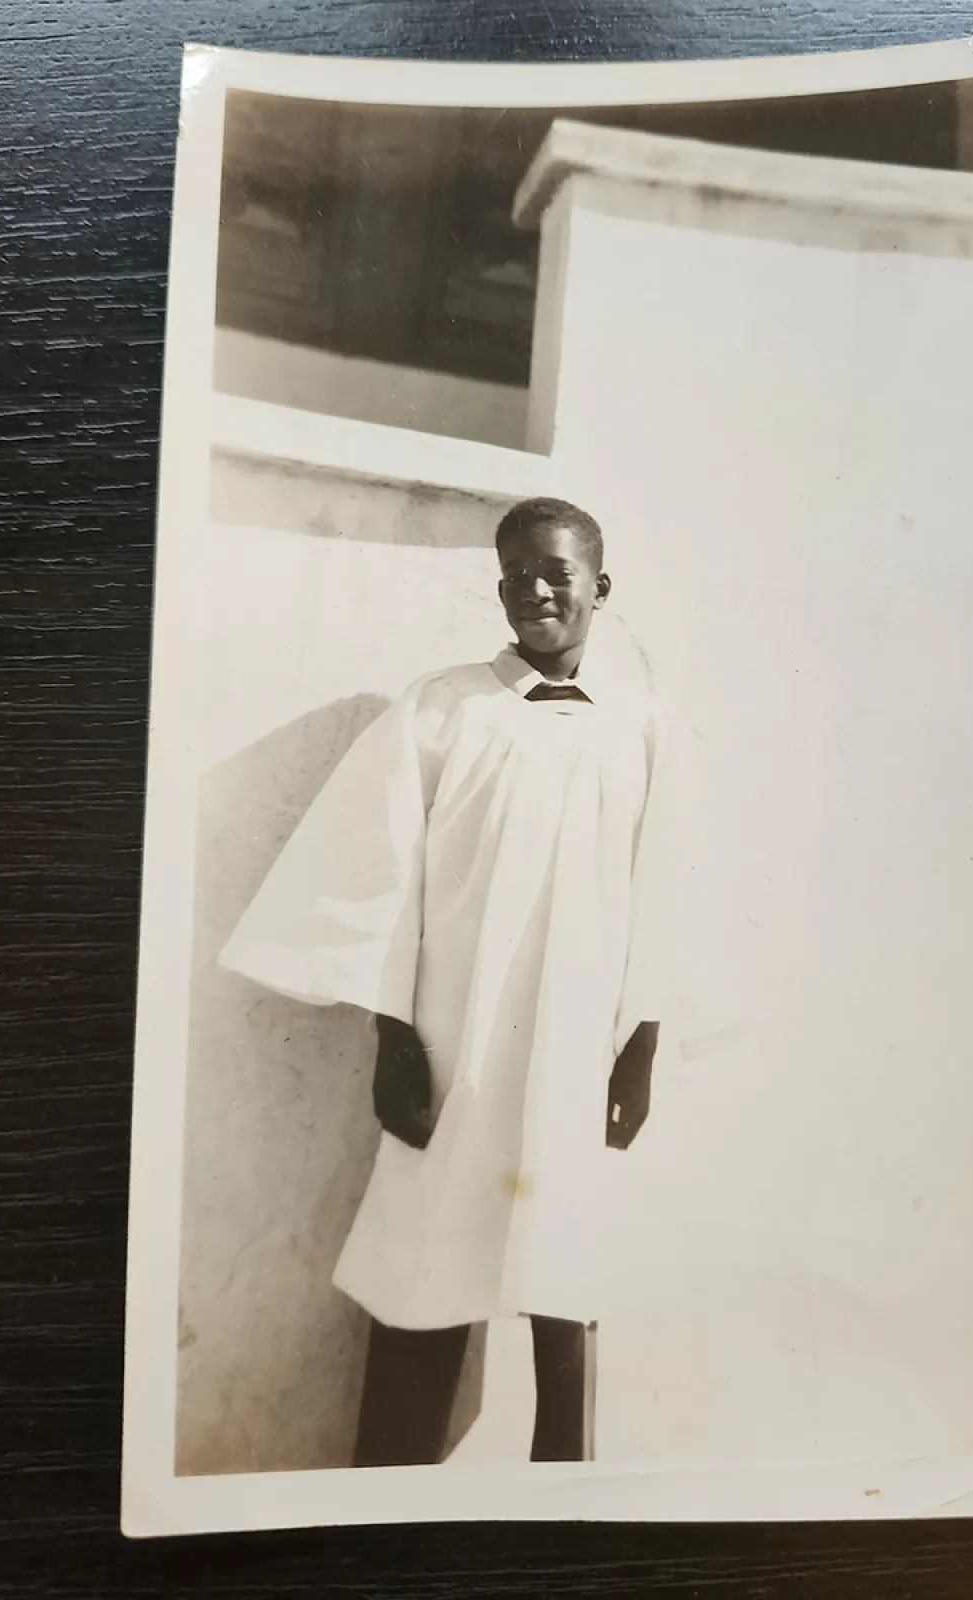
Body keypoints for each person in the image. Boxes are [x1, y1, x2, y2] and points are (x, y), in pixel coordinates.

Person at [219, 496, 690, 1466]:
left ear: (600, 587)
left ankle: (562, 1511)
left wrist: (639, 1045)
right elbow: (373, 874)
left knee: (566, 1275)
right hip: (456, 1043)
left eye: (557, 571)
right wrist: (393, 1038)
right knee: (424, 1264)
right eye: (516, 572)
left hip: (573, 1051)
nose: (535, 588)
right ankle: (383, 1496)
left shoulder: (641, 726)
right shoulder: (440, 709)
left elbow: (668, 885)